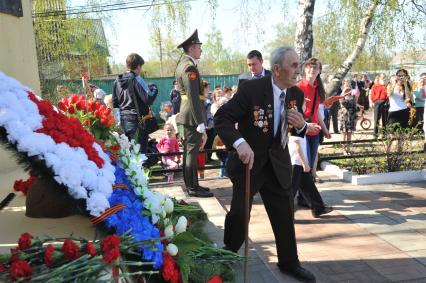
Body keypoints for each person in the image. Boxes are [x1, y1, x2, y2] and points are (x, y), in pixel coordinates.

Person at [214, 46, 316, 283]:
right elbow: (222, 118)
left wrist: (301, 125)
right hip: (250, 163)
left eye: (298, 65)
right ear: (277, 69)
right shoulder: (251, 89)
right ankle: (228, 253)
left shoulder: (295, 94)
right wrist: (239, 143)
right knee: (240, 213)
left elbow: (295, 127)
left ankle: (290, 262)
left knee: (283, 214)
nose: (297, 70)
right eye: (293, 65)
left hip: (278, 164)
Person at [175, 29, 213, 198]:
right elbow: (192, 95)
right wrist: (200, 121)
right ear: (191, 48)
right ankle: (192, 187)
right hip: (191, 116)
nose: (201, 49)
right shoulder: (189, 66)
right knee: (191, 152)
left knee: (190, 152)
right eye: (198, 46)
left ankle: (193, 185)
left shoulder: (184, 64)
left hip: (188, 115)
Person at [112, 53, 158, 153]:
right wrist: (155, 88)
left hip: (124, 121)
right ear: (138, 66)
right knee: (140, 156)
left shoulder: (117, 81)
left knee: (129, 154)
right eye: (141, 67)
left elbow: (115, 103)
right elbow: (148, 99)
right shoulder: (137, 79)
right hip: (137, 122)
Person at [338, 79, 359, 151]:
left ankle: (348, 149)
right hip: (344, 116)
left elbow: (355, 104)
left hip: (351, 116)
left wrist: (357, 95)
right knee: (344, 134)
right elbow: (341, 101)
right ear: (343, 85)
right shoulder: (341, 94)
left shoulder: (353, 94)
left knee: (349, 134)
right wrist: (344, 91)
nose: (347, 85)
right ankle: (344, 150)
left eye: (349, 84)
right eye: (346, 84)